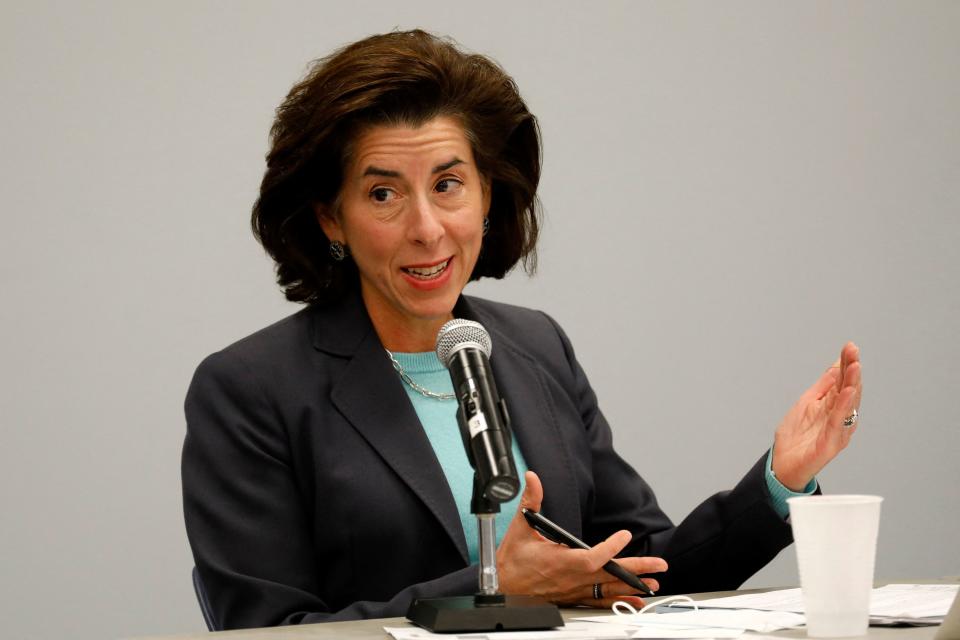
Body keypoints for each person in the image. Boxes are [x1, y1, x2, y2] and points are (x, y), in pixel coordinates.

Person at [181, 29, 862, 630]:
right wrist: (490, 589)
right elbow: (265, 631)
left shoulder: (535, 347)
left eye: (448, 184)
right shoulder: (251, 389)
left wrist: (779, 481)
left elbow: (645, 570)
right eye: (383, 193)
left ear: (487, 196)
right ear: (333, 218)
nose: (425, 227)